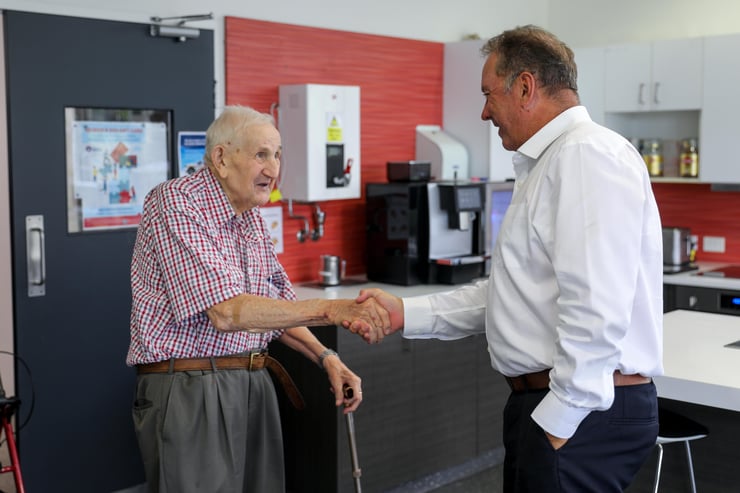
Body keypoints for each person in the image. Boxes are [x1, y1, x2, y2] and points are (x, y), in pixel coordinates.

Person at [356, 25, 664, 492]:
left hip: (578, 412)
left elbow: (596, 306)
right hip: (554, 408)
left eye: (488, 94)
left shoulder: (584, 156)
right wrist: (407, 312)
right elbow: (512, 293)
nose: (484, 112)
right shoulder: (549, 163)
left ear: (525, 86)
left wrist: (560, 419)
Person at [127, 105, 389, 493]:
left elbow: (275, 305)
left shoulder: (248, 217)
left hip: (252, 381)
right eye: (261, 154)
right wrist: (332, 309)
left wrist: (326, 357)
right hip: (190, 385)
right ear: (221, 158)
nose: (274, 168)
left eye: (278, 154)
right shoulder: (177, 203)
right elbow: (228, 312)